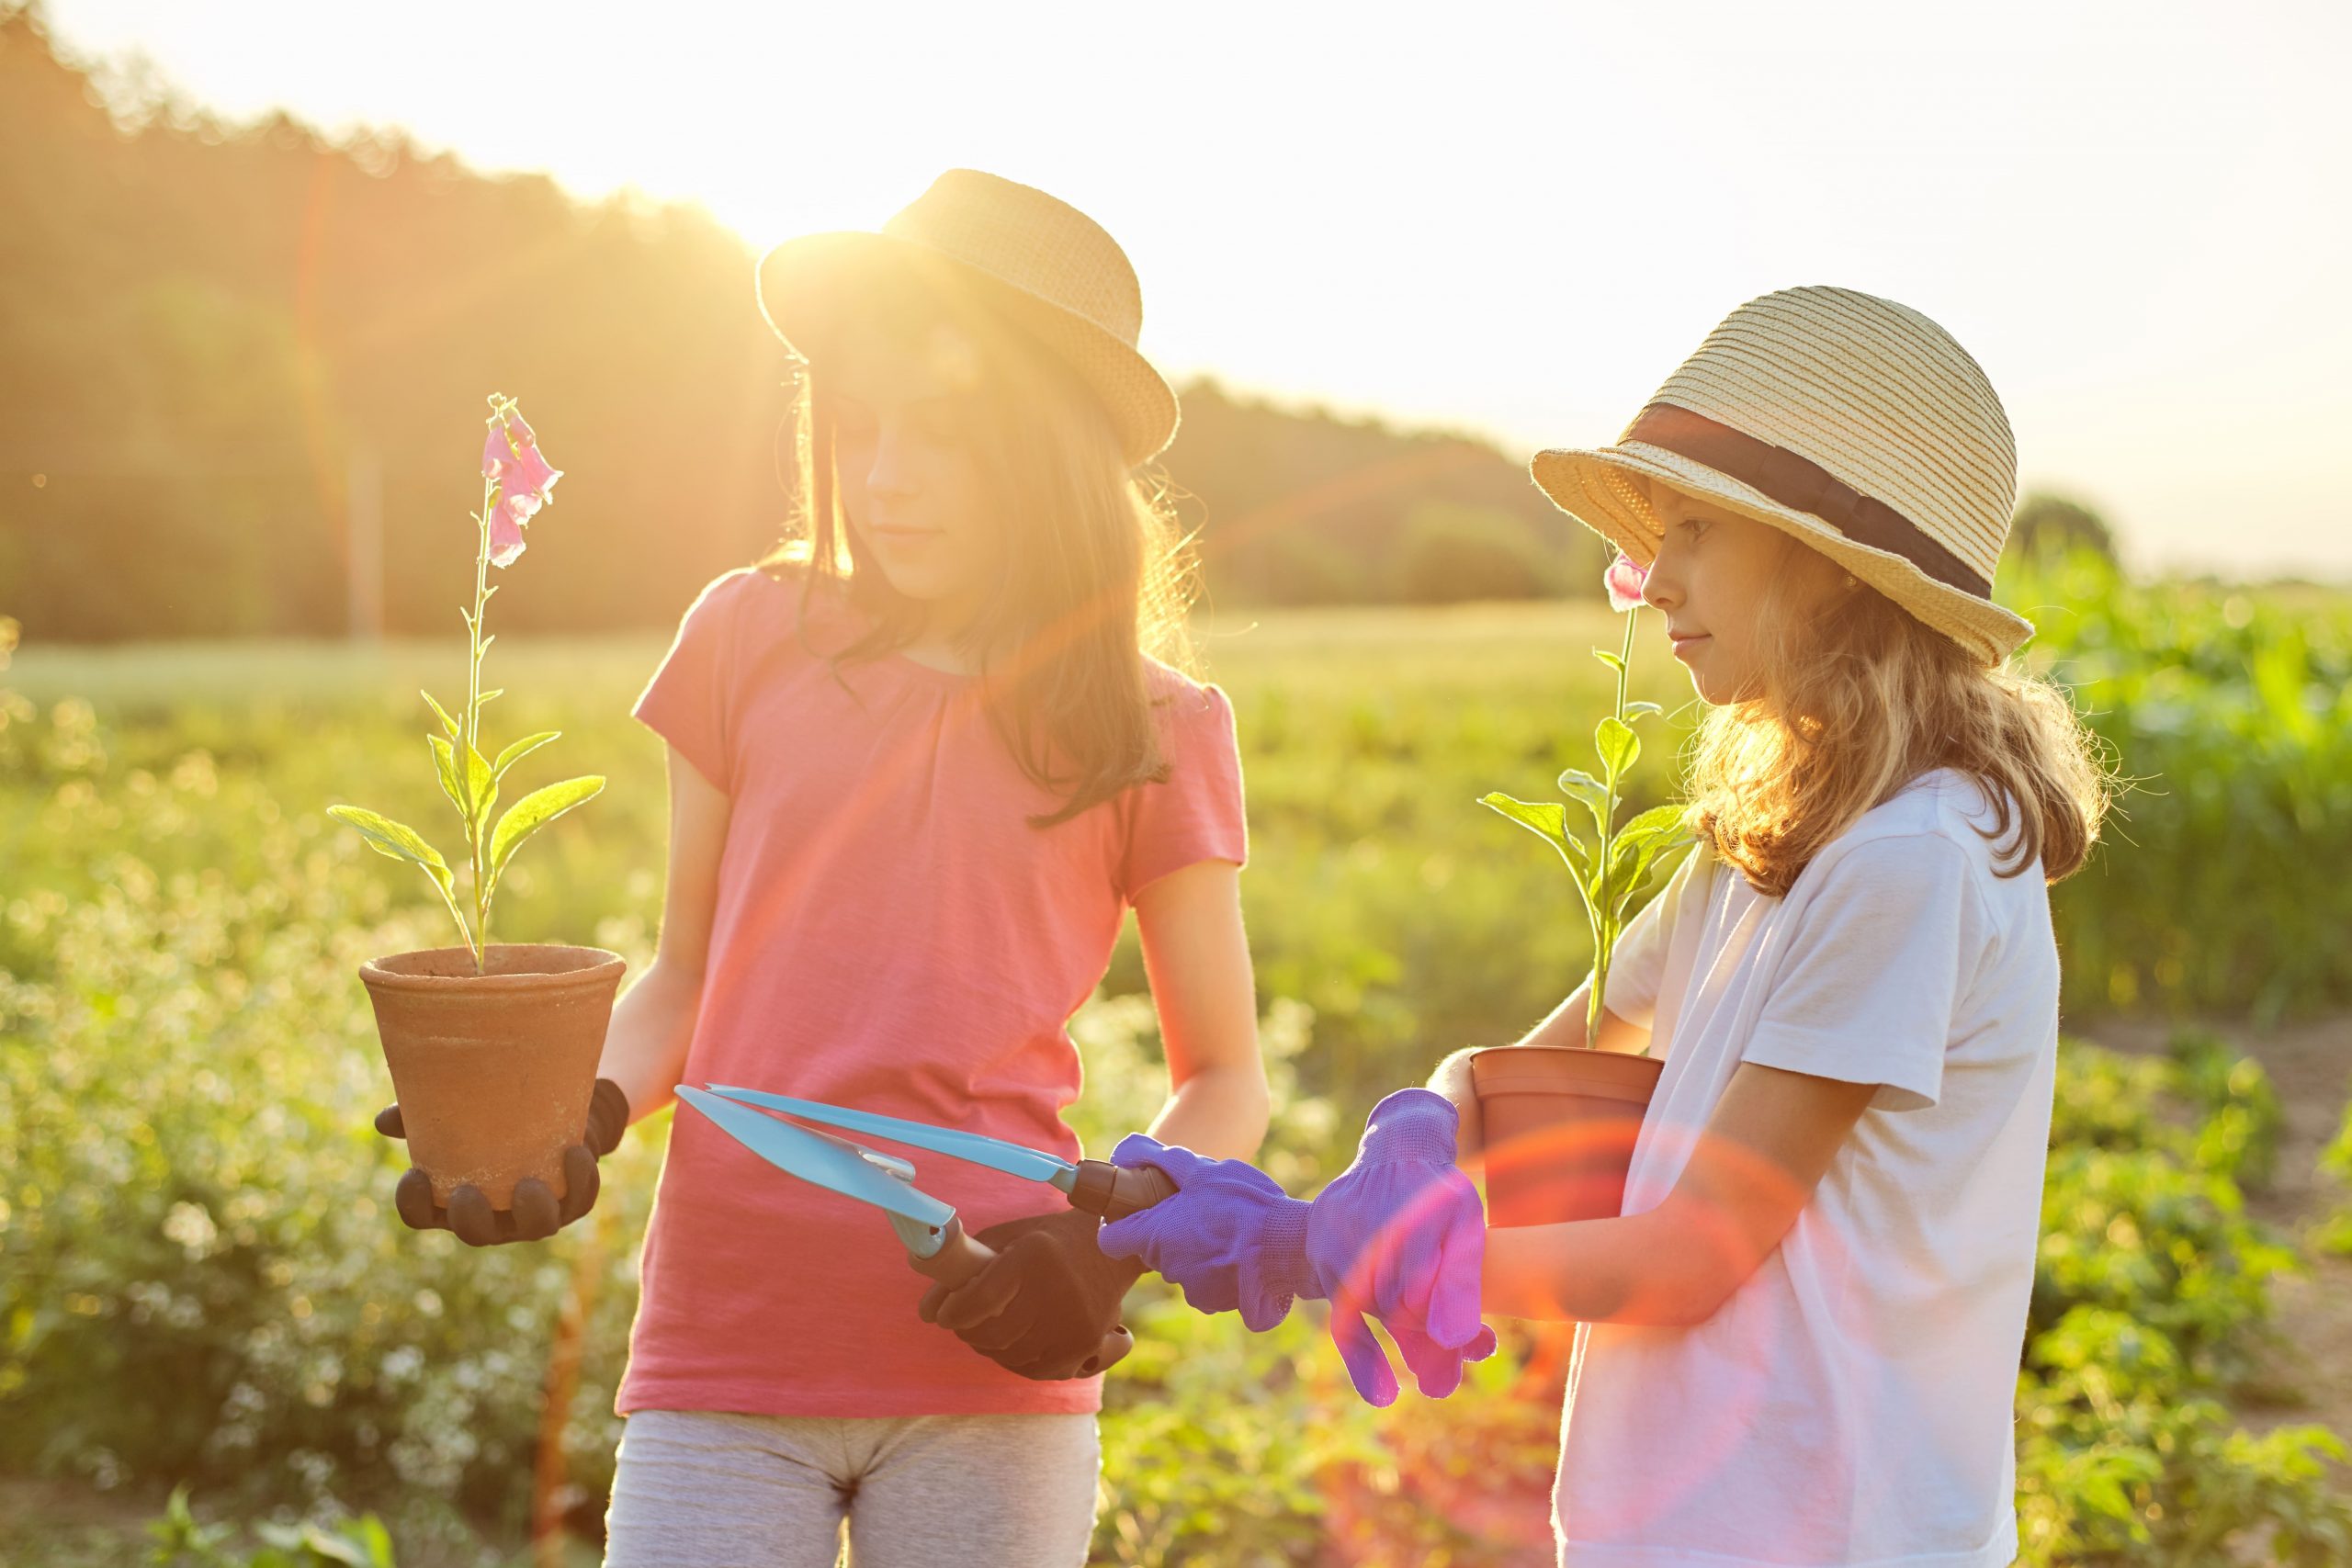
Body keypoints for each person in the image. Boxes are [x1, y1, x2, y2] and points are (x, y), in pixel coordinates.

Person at [1104, 287, 2109, 1567]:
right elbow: (1555, 1053)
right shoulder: (1773, 842)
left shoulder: (1913, 858)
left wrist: (1335, 1250)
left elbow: (1693, 1252)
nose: (1654, 581)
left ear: (1827, 565)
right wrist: (1419, 1126)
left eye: (1695, 530)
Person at [377, 169, 1270, 1568]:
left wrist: (1105, 1251)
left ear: (1052, 456)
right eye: (861, 428)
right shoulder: (748, 637)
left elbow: (1228, 1074)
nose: (888, 477)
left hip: (994, 1348)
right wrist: (572, 1114)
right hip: (728, 1346)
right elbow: (687, 974)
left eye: (949, 438)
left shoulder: (1159, 723)